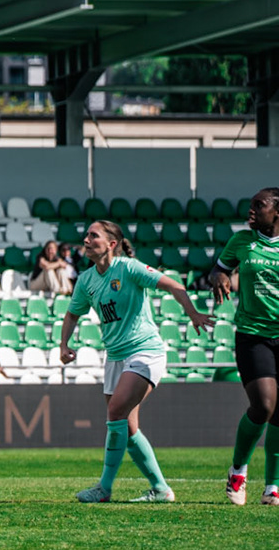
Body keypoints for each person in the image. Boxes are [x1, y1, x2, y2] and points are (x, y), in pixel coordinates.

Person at [63, 220, 212, 503]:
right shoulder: (86, 280)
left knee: (116, 411)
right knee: (128, 430)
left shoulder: (128, 268)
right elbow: (72, 315)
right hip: (115, 358)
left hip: (145, 352)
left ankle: (104, 488)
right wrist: (63, 344)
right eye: (86, 235)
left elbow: (174, 285)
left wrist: (192, 312)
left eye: (93, 235)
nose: (86, 239)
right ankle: (161, 489)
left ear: (111, 244)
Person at [207, 187, 279, 505]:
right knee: (263, 406)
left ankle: (273, 486)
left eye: (258, 206)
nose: (251, 211)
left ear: (277, 212)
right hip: (253, 335)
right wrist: (219, 278)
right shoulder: (241, 241)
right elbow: (218, 269)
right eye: (250, 205)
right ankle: (238, 471)